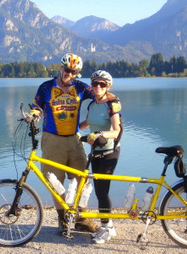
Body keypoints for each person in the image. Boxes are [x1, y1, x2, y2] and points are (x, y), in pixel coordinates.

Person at [30, 53, 98, 236]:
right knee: (55, 180)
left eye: (74, 71)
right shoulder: (45, 87)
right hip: (52, 140)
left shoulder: (81, 87)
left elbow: (100, 96)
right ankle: (62, 219)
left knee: (83, 178)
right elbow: (37, 107)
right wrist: (34, 115)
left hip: (75, 139)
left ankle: (82, 219)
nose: (70, 74)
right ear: (60, 68)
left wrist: (113, 103)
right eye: (67, 70)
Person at [80, 70, 123, 244]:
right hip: (95, 152)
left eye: (102, 84)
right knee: (99, 191)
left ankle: (105, 228)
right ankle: (109, 226)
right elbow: (87, 123)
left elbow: (116, 131)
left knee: (102, 191)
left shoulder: (112, 104)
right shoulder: (92, 104)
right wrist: (68, 128)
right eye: (95, 83)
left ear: (108, 86)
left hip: (109, 152)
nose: (98, 87)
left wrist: (100, 134)